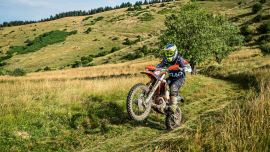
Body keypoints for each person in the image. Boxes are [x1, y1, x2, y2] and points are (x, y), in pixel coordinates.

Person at [156, 44, 186, 113]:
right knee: (163, 83)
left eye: (170, 53)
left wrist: (181, 68)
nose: (168, 54)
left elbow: (185, 66)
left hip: (180, 78)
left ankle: (173, 106)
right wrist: (156, 68)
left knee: (173, 87)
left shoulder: (179, 59)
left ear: (175, 52)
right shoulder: (166, 59)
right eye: (167, 53)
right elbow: (160, 65)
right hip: (171, 77)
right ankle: (166, 101)